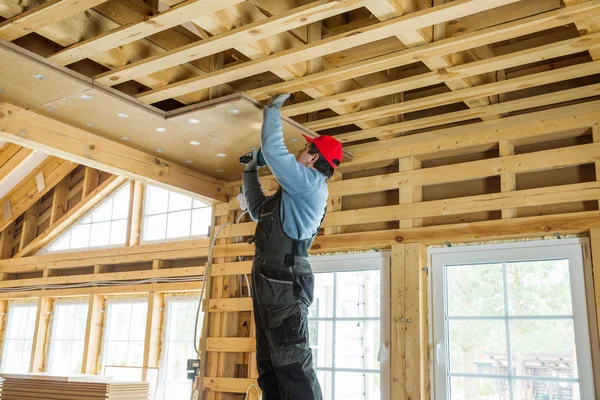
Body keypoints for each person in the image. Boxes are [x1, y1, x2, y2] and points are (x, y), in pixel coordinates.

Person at [242, 93, 343, 400]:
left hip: (284, 280)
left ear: (313, 159)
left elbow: (275, 151)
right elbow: (259, 209)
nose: (300, 152)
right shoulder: (292, 192)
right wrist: (249, 171)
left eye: (305, 149)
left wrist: (272, 110)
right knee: (269, 363)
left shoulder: (310, 183)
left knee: (292, 362)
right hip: (269, 279)